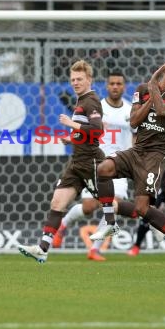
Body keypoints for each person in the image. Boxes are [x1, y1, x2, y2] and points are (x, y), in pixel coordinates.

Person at [94, 59, 165, 266]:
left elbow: (162, 111)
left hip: (155, 156)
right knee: (103, 169)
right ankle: (110, 223)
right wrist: (151, 88)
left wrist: (153, 87)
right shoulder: (142, 89)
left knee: (142, 209)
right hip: (137, 150)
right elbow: (133, 121)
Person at [17, 59, 117, 263]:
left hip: (90, 161)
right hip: (76, 163)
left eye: (80, 79)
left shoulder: (91, 100)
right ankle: (43, 248)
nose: (75, 82)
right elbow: (87, 133)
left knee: (121, 207)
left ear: (89, 80)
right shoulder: (81, 101)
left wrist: (71, 124)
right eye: (72, 79)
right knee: (57, 202)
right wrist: (71, 138)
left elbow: (97, 131)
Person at [52, 71, 138, 261]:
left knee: (112, 204)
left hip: (119, 164)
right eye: (112, 83)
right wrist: (71, 138)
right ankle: (63, 225)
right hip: (96, 162)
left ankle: (95, 249)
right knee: (90, 206)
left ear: (124, 87)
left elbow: (135, 136)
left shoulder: (130, 111)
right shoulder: (97, 106)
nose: (115, 86)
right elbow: (87, 130)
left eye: (119, 83)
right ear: (107, 86)